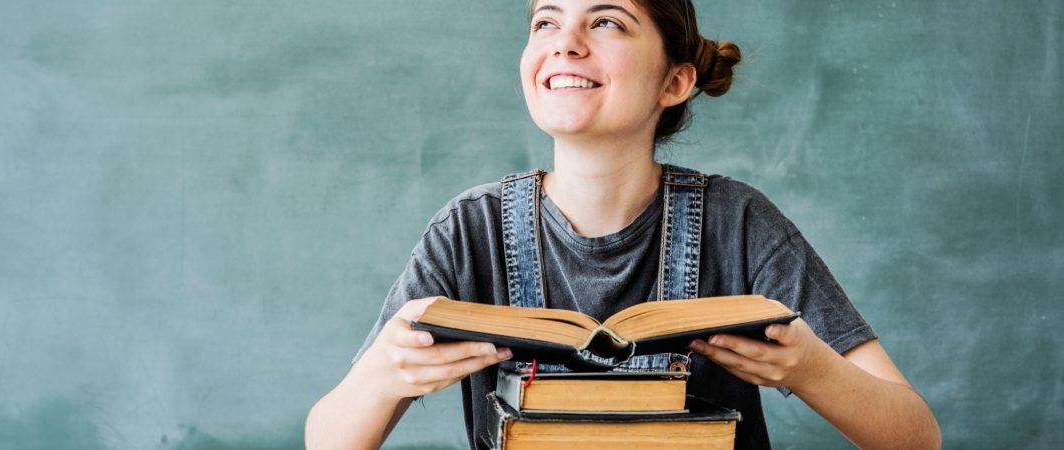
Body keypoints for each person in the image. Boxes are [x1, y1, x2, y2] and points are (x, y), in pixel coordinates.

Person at [306, 0, 941, 448]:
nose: (566, 41)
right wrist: (381, 376)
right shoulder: (469, 231)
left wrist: (810, 369)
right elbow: (328, 440)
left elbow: (915, 436)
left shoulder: (740, 223)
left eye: (606, 20)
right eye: (546, 19)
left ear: (675, 81)